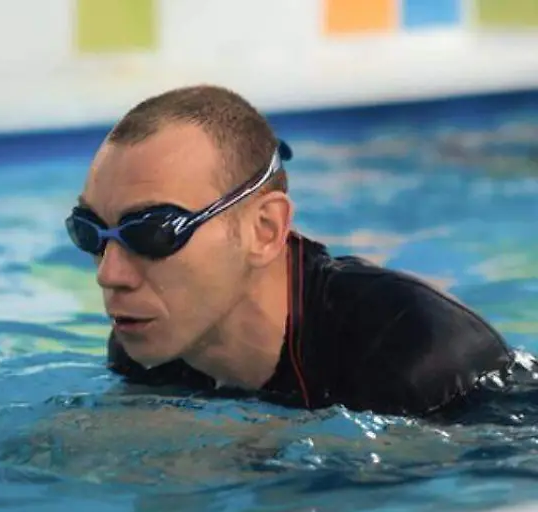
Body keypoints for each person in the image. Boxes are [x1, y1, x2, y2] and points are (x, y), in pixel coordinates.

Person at [65, 84, 517, 419]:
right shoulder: (149, 339)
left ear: (264, 230)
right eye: (90, 233)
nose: (111, 275)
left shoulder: (411, 348)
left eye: (154, 232)